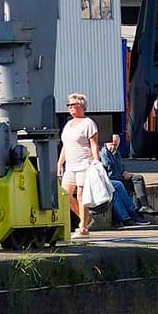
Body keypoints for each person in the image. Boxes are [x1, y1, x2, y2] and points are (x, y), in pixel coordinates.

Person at [57, 93, 99, 240]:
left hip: (84, 164)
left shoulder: (89, 123)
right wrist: (60, 162)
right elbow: (66, 145)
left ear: (81, 106)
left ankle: (83, 228)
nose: (70, 108)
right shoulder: (68, 124)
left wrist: (96, 162)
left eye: (73, 105)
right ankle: (85, 218)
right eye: (69, 105)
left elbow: (94, 144)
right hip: (70, 165)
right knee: (64, 194)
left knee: (81, 196)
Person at [100, 134, 158, 216]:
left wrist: (125, 172)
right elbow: (109, 172)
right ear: (106, 143)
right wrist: (122, 175)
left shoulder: (116, 152)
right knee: (122, 186)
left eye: (116, 145)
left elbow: (121, 167)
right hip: (112, 180)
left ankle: (144, 205)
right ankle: (133, 212)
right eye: (112, 144)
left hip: (119, 177)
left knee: (138, 179)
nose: (113, 147)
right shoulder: (103, 154)